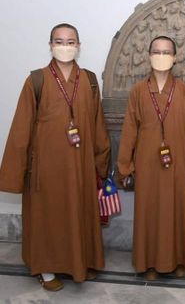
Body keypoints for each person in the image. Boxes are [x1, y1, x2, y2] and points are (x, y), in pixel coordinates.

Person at [0, 23, 111, 291]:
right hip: (46, 168)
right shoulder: (36, 80)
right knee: (48, 217)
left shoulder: (90, 80)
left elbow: (98, 126)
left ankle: (78, 264)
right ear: (50, 45)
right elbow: (20, 130)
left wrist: (101, 164)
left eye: (70, 41)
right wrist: (16, 174)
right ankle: (46, 269)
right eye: (59, 42)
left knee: (79, 213)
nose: (65, 47)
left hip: (80, 166)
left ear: (79, 46)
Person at [117, 35, 185, 280]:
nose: (162, 56)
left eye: (167, 52)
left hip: (178, 164)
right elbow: (129, 130)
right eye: (157, 51)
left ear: (175, 58)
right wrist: (126, 165)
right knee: (149, 212)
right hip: (147, 163)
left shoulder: (184, 91)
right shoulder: (138, 91)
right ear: (148, 56)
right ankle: (149, 263)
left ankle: (179, 260)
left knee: (177, 211)